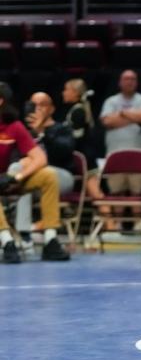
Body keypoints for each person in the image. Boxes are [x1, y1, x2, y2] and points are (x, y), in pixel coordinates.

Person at [0, 82, 70, 263]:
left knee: (48, 175)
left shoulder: (14, 126)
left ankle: (50, 239)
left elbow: (40, 158)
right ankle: (7, 242)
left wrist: (16, 177)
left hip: (8, 179)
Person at [98, 70, 141, 231]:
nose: (129, 82)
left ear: (136, 82)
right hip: (114, 154)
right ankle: (117, 225)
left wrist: (122, 114)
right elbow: (107, 121)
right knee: (117, 193)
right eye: (126, 79)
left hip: (139, 155)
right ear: (120, 82)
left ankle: (137, 225)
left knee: (137, 193)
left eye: (132, 79)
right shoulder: (111, 101)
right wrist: (133, 117)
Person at [18, 92, 75, 248]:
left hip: (61, 174)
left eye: (42, 104)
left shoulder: (62, 128)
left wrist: (42, 133)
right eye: (33, 104)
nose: (37, 108)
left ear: (51, 109)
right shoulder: (23, 131)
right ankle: (25, 235)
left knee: (42, 174)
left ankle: (43, 229)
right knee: (20, 179)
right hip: (33, 176)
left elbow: (65, 151)